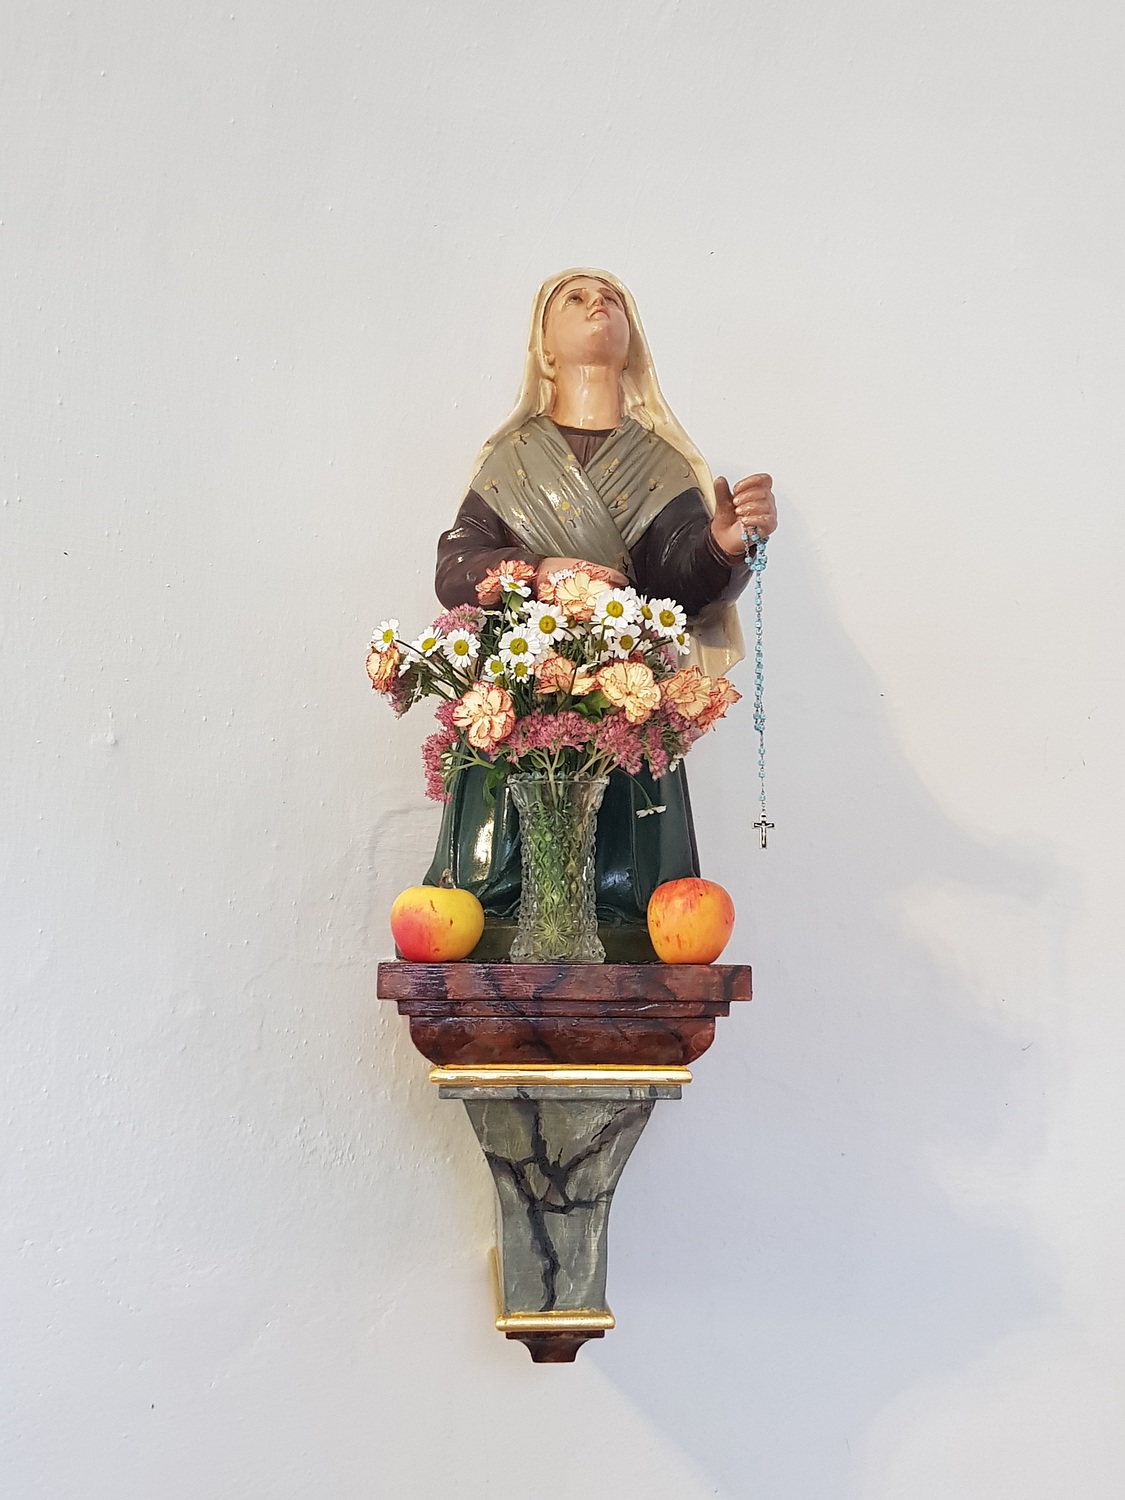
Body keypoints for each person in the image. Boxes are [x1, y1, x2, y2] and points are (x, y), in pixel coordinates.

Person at [424, 268, 778, 958]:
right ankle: (502, 917)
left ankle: (628, 918)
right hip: (523, 689)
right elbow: (455, 567)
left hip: (624, 689)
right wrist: (536, 572)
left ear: (632, 341)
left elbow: (677, 588)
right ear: (544, 348)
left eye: (611, 298)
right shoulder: (512, 458)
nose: (597, 304)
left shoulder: (658, 463)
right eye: (575, 298)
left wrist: (723, 545)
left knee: (628, 878)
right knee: (504, 865)